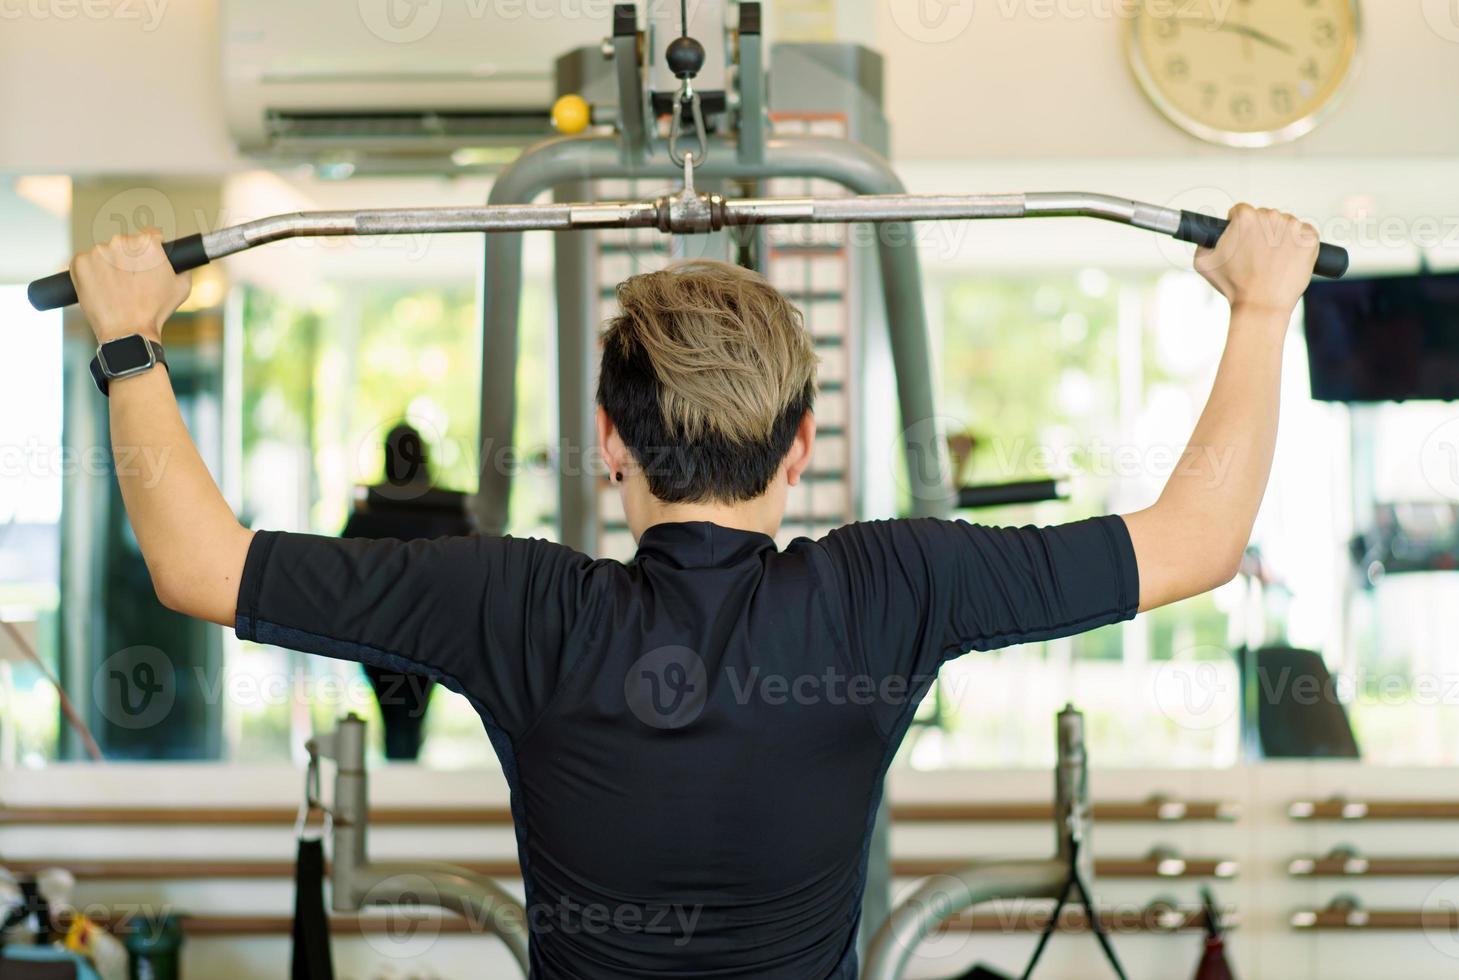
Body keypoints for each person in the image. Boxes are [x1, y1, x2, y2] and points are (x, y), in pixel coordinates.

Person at [69, 204, 1321, 979]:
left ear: (609, 440)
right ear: (801, 444)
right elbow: (1199, 537)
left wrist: (129, 343)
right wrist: (1263, 305)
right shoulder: (896, 583)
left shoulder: (516, 602)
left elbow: (198, 563)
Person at [339, 423, 475, 761]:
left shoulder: (368, 511)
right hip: (429, 639)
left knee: (395, 720)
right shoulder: (447, 510)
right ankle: (407, 771)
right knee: (412, 719)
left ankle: (400, 774)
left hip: (378, 638)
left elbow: (342, 569)